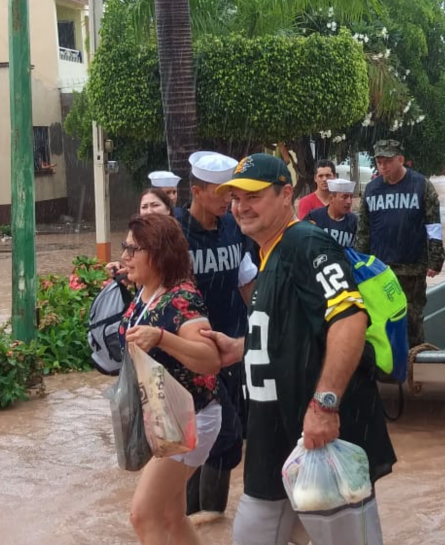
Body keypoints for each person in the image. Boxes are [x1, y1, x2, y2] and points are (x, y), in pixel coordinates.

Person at [205, 153, 396, 545]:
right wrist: (243, 347)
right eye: (236, 198)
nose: (241, 207)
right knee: (257, 533)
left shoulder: (305, 243)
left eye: (253, 196)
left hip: (320, 429)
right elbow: (293, 330)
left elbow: (349, 318)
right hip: (276, 434)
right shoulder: (270, 252)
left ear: (286, 194)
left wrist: (325, 406)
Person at [120, 213, 223, 545]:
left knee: (143, 514)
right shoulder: (146, 291)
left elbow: (210, 359)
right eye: (125, 248)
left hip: (190, 419)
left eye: (133, 249)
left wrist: (162, 337)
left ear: (159, 254)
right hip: (164, 418)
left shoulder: (182, 298)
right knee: (170, 515)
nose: (124, 256)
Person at [177, 151, 256, 524]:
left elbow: (246, 281)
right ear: (196, 190)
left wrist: (260, 327)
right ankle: (196, 517)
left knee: (223, 440)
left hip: (233, 350)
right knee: (212, 436)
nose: (229, 199)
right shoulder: (176, 235)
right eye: (221, 192)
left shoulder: (232, 228)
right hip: (192, 356)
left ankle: (206, 519)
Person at [355, 139, 445, 348]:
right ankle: (385, 370)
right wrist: (359, 265)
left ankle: (415, 368)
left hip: (412, 268)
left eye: (387, 160)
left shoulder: (421, 185)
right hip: (379, 270)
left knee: (412, 321)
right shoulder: (371, 189)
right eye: (379, 161)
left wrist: (436, 259)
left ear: (400, 160)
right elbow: (363, 230)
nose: (383, 165)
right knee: (380, 319)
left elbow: (433, 226)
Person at [105, 189, 175, 277]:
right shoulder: (136, 234)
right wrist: (126, 270)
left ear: (168, 209)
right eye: (144, 207)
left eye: (155, 205)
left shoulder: (178, 237)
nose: (149, 211)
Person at [305, 177, 358, 248]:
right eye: (344, 197)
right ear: (331, 198)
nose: (349, 202)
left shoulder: (354, 221)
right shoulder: (314, 217)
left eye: (351, 197)